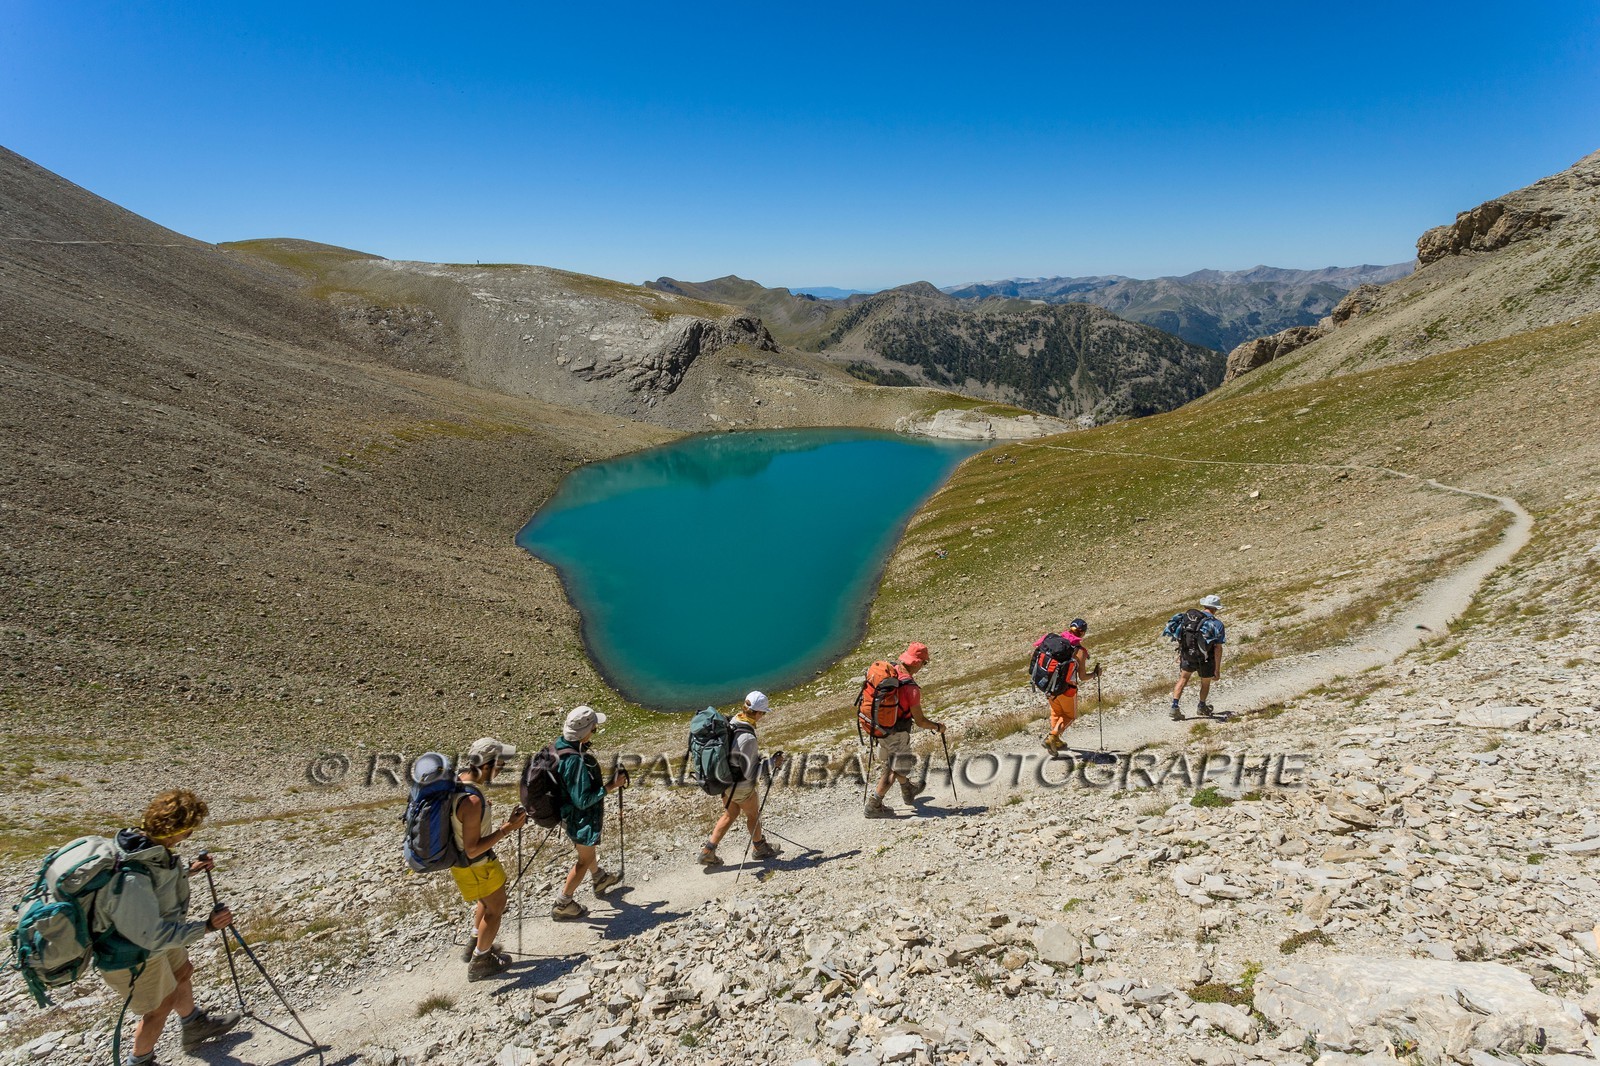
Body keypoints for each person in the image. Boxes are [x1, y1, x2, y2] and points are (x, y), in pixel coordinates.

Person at [100, 789, 240, 1066]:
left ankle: (194, 1025)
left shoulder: (143, 845)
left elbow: (155, 883)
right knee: (159, 1006)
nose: (190, 835)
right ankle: (139, 1061)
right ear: (174, 831)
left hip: (159, 932)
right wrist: (207, 926)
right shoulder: (133, 871)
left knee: (182, 972)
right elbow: (152, 935)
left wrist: (190, 870)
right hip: (135, 951)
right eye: (189, 830)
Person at [449, 738, 527, 981]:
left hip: (463, 865)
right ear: (486, 765)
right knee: (496, 907)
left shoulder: (459, 782)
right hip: (477, 865)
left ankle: (476, 942)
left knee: (485, 901)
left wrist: (481, 811)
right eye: (500, 764)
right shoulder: (472, 801)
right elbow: (472, 849)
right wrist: (507, 827)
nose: (502, 769)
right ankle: (481, 961)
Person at [552, 706, 628, 920]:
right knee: (584, 860)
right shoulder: (575, 761)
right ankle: (563, 903)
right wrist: (611, 786)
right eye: (593, 729)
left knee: (587, 853)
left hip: (567, 814)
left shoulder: (561, 746)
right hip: (579, 820)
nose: (595, 732)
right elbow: (583, 801)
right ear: (584, 732)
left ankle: (599, 877)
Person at [699, 691, 786, 865]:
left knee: (730, 814)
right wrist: (772, 762)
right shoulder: (748, 737)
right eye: (763, 713)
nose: (763, 716)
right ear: (758, 712)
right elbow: (750, 773)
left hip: (724, 781)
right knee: (753, 815)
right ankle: (759, 849)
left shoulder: (733, 721)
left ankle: (708, 851)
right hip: (741, 786)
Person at [865, 642, 945, 818]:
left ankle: (908, 789)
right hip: (897, 732)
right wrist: (938, 727)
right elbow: (921, 721)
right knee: (895, 769)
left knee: (893, 763)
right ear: (917, 662)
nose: (923, 666)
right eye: (924, 663)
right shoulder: (911, 688)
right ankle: (874, 805)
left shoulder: (891, 670)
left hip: (879, 727)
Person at [1038, 618, 1099, 756]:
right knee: (1070, 716)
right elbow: (1082, 676)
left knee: (1056, 713)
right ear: (1082, 633)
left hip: (1049, 686)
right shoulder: (1080, 651)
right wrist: (1095, 674)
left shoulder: (1056, 643)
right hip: (1067, 688)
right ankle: (1052, 737)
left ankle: (1055, 741)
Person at [1165, 594, 1227, 719]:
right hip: (1206, 658)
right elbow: (1218, 648)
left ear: (1204, 605)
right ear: (1216, 608)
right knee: (1205, 683)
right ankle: (1201, 706)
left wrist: (1182, 654)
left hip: (1188, 655)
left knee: (1183, 679)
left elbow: (1182, 636)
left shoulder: (1190, 619)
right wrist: (1217, 669)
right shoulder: (1217, 624)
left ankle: (1174, 706)